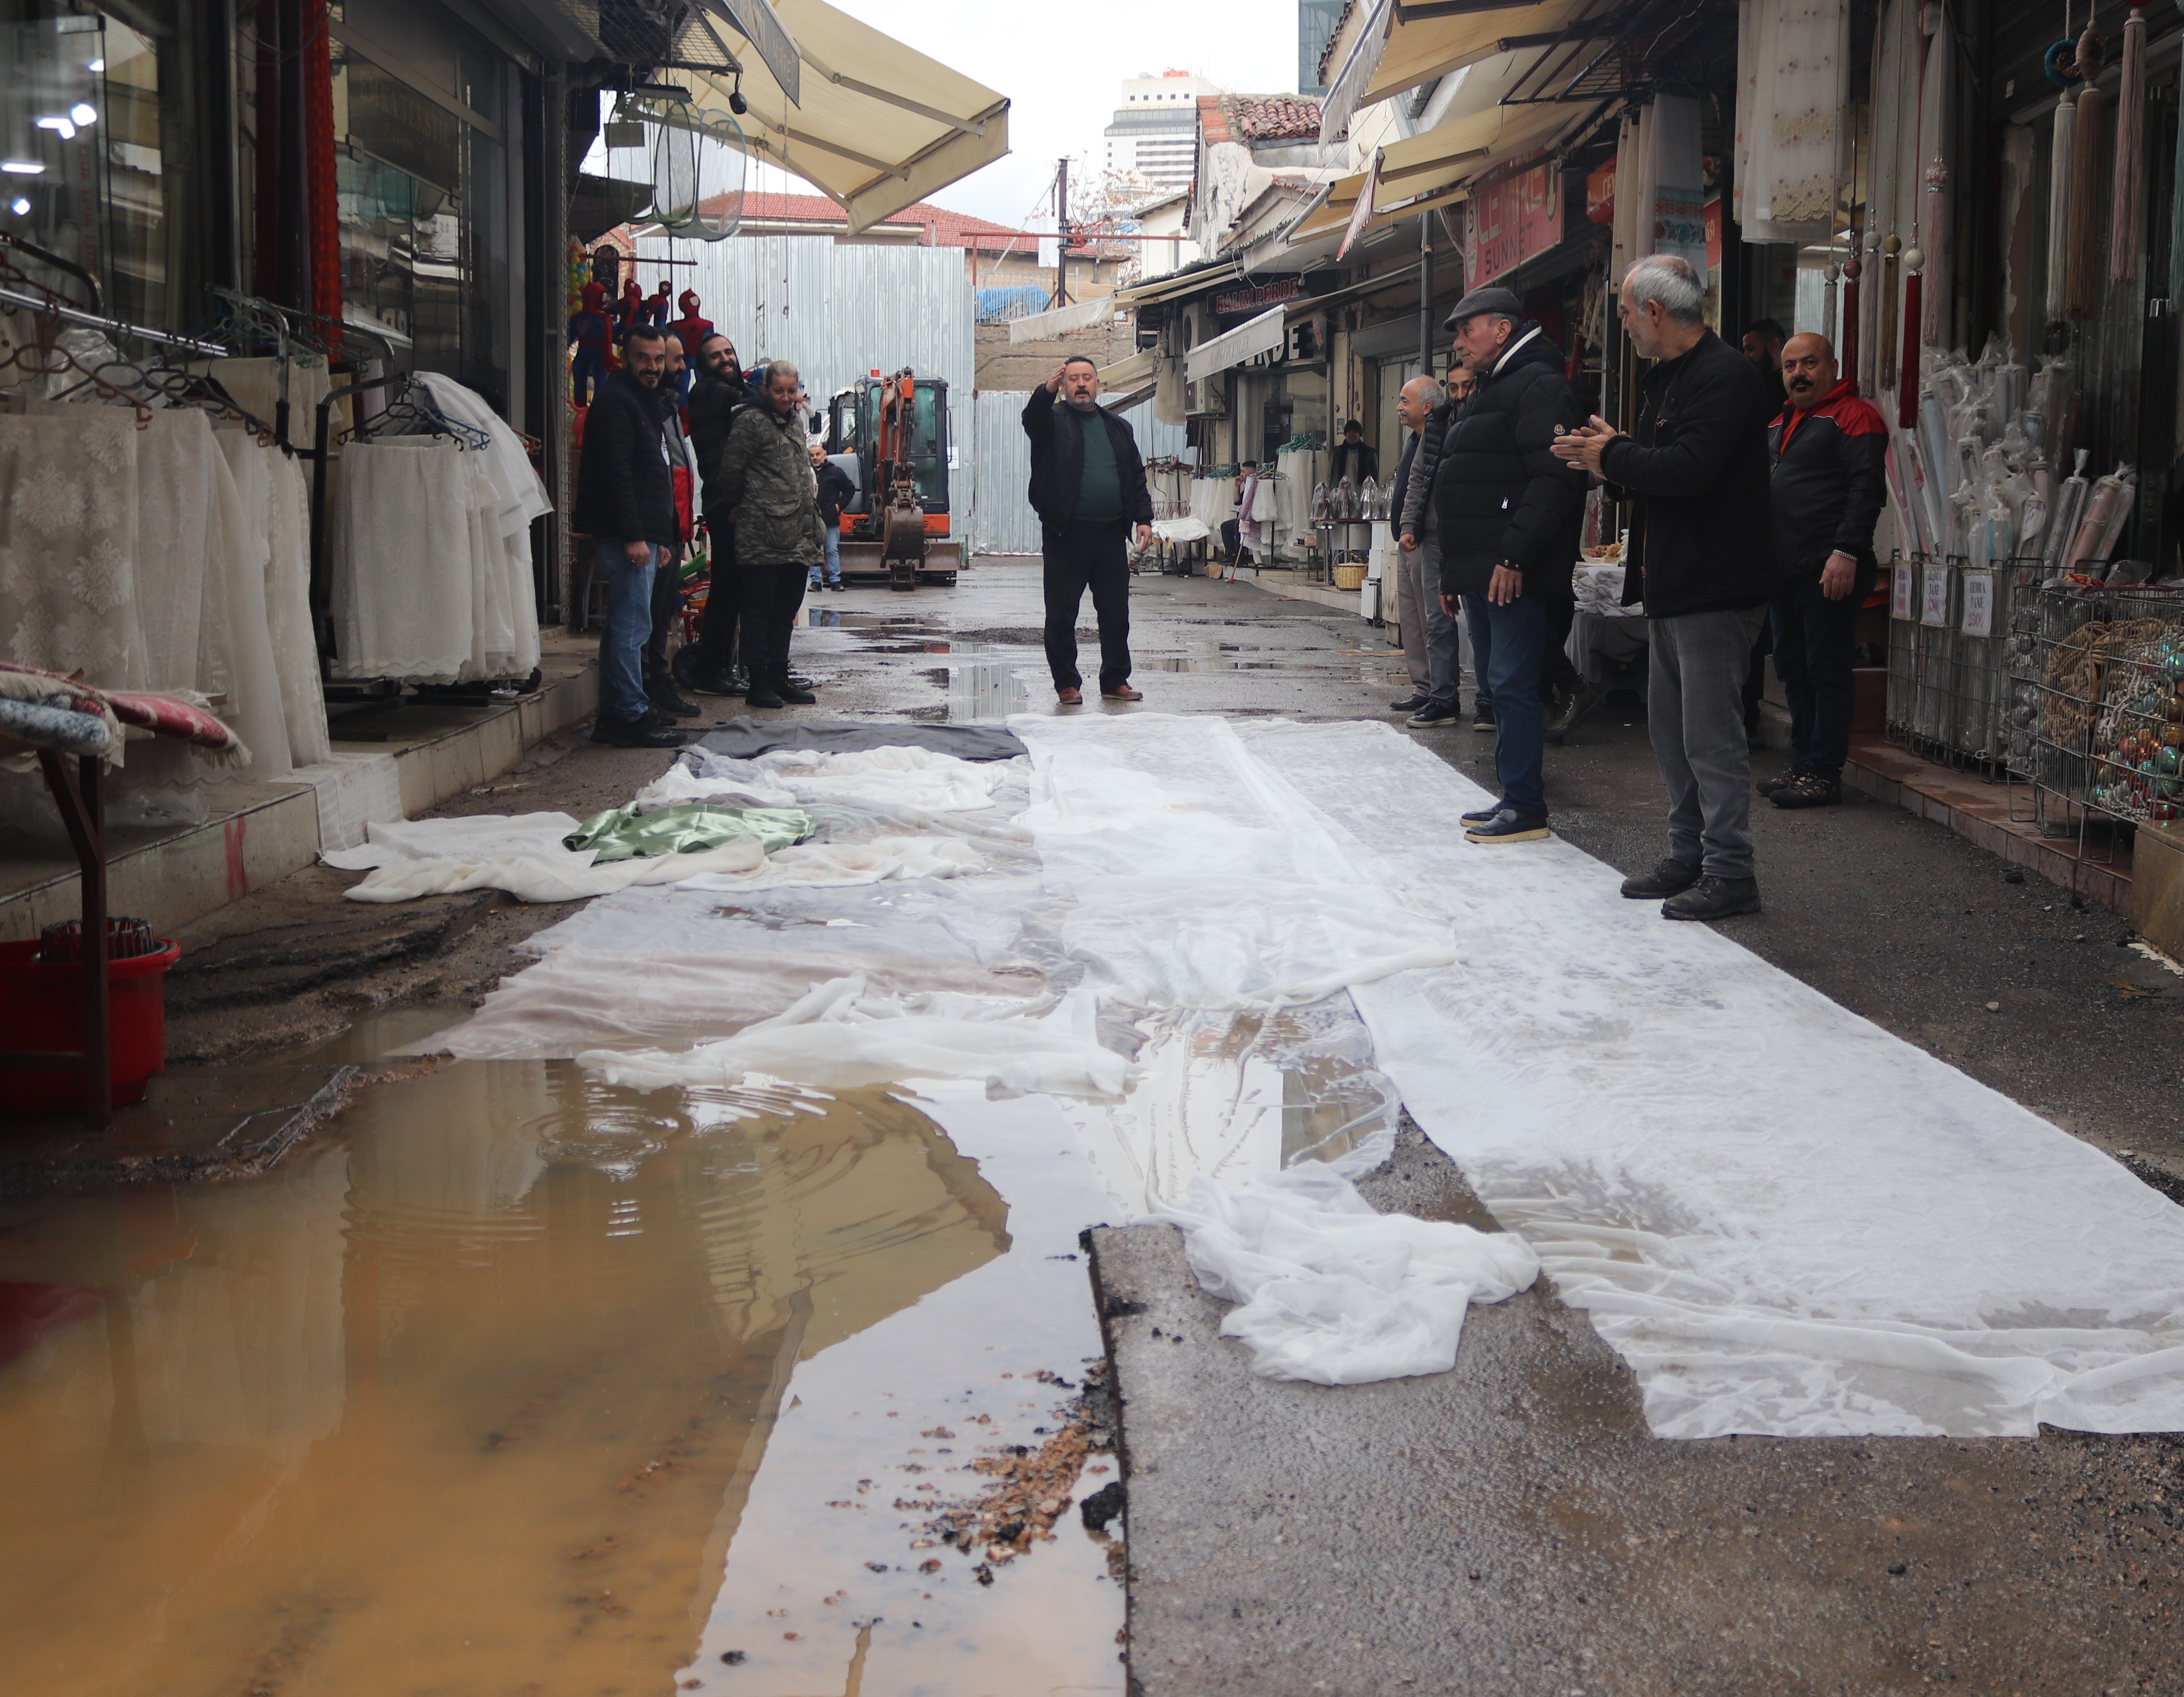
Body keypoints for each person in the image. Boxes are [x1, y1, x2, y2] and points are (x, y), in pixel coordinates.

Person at [1553, 254, 1778, 920]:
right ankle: (1688, 854)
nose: (1621, 325)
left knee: (1710, 735)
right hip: (1672, 581)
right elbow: (1655, 473)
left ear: (1654, 311)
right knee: (1670, 731)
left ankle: (1731, 870)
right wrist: (1610, 464)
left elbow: (1689, 469)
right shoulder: (1664, 380)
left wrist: (1613, 455)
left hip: (1718, 582)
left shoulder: (1724, 376)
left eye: (1624, 313)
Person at [1432, 286, 1587, 844]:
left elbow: (1552, 480)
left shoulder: (1539, 384)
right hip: (1481, 569)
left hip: (1510, 570)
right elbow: (1469, 481)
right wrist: (1455, 572)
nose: (1459, 341)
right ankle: (1511, 794)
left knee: (1514, 683)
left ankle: (1525, 805)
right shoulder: (1496, 384)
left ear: (1501, 329)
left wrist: (1513, 555)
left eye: (1465, 329)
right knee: (1498, 685)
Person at [1760, 331, 1886, 810]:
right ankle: (1802, 763)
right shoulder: (1779, 421)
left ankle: (1823, 772)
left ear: (1832, 366)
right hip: (1784, 569)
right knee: (1792, 668)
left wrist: (1847, 552)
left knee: (1825, 668)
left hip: (1829, 566)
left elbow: (1865, 490)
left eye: (1809, 363)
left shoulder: (1856, 416)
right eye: (1790, 366)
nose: (1798, 374)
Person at [570, 324, 685, 748]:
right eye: (643, 359)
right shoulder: (618, 402)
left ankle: (614, 717)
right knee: (632, 629)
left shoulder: (642, 402)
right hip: (626, 536)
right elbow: (618, 475)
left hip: (641, 535)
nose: (653, 368)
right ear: (624, 357)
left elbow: (651, 474)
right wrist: (638, 538)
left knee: (625, 627)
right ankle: (632, 716)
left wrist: (661, 538)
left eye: (659, 360)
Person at [1022, 355, 1154, 705]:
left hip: (1111, 535)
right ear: (1064, 386)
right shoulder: (1051, 422)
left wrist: (1143, 518)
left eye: (1088, 378)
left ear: (1098, 384)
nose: (1081, 384)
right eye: (1073, 379)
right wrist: (1045, 391)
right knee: (1062, 614)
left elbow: (1135, 476)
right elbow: (1031, 419)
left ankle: (1115, 680)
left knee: (1115, 614)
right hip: (1066, 535)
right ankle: (1067, 683)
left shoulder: (1118, 427)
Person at [711, 360, 826, 710]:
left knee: (785, 610)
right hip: (762, 533)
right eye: (779, 390)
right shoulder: (750, 422)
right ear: (765, 389)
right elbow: (731, 471)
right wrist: (737, 503)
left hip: (797, 535)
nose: (786, 397)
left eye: (792, 391)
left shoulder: (793, 421)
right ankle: (758, 681)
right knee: (759, 610)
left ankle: (779, 677)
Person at [1389, 375, 1461, 728]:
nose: (1399, 407)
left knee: (1435, 619)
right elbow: (1411, 483)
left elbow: (1425, 487)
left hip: (1429, 539)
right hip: (1410, 538)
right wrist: (1404, 528)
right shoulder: (1416, 439)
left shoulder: (1441, 433)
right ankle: (1424, 687)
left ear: (1427, 407)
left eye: (1405, 401)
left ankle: (1442, 693)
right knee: (1413, 620)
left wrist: (1413, 529)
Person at [685, 332, 747, 697]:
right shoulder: (710, 391)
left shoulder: (728, 391)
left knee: (733, 590)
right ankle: (714, 669)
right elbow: (750, 402)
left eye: (728, 352)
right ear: (702, 364)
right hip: (726, 504)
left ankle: (723, 667)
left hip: (733, 502)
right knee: (727, 589)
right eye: (715, 355)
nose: (725, 359)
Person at [810, 442, 853, 592]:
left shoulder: (836, 472)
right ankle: (816, 582)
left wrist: (839, 506)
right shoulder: (806, 474)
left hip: (830, 519)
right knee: (814, 550)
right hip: (812, 519)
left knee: (832, 550)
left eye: (818, 454)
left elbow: (850, 489)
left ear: (824, 454)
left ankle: (836, 580)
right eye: (812, 455)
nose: (815, 458)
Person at [1741, 318, 1788, 410]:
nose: (1745, 356)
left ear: (1773, 346)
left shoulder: (1790, 388)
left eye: (1751, 349)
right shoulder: (1754, 385)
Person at [1328, 419, 1378, 492]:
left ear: (1360, 434)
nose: (1352, 435)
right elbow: (1331, 476)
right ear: (1346, 434)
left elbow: (1375, 477)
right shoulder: (1337, 452)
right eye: (1349, 432)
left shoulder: (1369, 454)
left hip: (1362, 494)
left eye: (1355, 432)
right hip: (1341, 494)